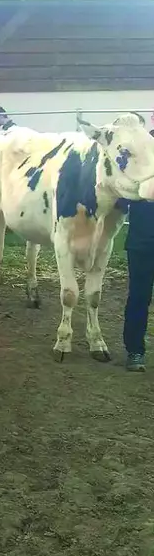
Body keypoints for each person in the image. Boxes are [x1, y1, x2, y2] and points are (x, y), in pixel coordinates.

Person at [121, 113, 154, 372]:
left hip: (142, 237)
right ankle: (135, 350)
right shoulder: (137, 155)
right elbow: (122, 196)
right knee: (140, 297)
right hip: (143, 240)